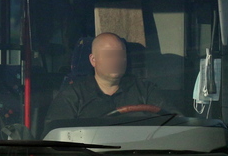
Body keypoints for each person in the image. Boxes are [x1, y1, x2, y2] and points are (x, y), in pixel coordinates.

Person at [46, 32, 178, 120]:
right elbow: (56, 139)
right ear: (93, 60)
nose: (116, 60)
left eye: (120, 55)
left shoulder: (146, 91)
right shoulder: (72, 96)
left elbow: (177, 124)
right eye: (109, 55)